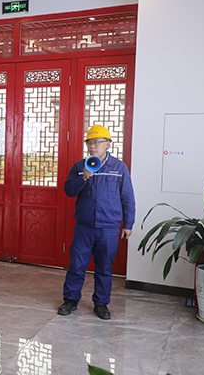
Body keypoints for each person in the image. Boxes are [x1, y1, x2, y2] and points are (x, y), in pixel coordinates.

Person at [57, 124, 135, 320]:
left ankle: (101, 304)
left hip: (109, 227)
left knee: (104, 267)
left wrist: (128, 224)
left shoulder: (119, 168)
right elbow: (69, 191)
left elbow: (127, 197)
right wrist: (83, 177)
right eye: (89, 143)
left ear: (108, 144)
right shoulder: (79, 166)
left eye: (97, 142)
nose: (93, 146)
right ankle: (70, 300)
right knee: (77, 264)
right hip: (84, 227)